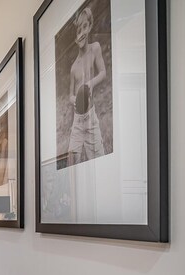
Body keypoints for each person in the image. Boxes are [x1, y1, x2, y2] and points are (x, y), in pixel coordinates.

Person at [67, 6, 107, 166]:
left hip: (90, 115)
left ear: (90, 26)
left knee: (98, 157)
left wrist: (90, 84)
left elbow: (103, 72)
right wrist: (75, 100)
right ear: (75, 36)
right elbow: (70, 94)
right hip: (78, 119)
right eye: (78, 29)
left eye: (85, 27)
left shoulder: (95, 48)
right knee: (72, 158)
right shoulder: (73, 67)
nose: (82, 32)